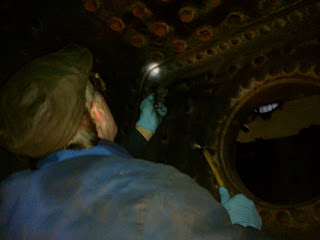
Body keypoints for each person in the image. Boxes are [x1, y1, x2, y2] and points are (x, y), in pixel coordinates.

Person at [0, 45, 272, 240]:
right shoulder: (160, 193)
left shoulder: (10, 200)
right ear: (97, 111)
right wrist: (242, 227)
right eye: (98, 90)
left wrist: (142, 132)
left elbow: (86, 192)